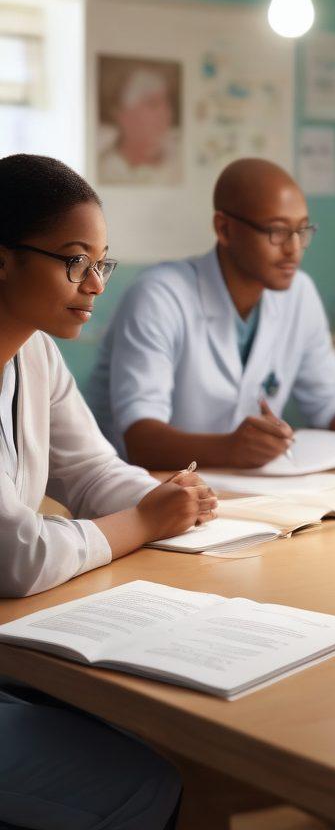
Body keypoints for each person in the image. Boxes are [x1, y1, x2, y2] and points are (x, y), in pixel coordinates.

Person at [0, 153, 219, 828]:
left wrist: (178, 499)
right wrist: (146, 521)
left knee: (157, 730)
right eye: (75, 261)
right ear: (2, 260)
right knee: (147, 780)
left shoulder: (34, 352)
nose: (95, 284)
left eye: (102, 263)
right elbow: (22, 557)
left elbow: (93, 472)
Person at [88, 157, 335, 470]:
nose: (293, 249)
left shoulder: (299, 294)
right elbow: (141, 441)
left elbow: (330, 400)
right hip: (142, 491)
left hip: (239, 488)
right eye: (277, 231)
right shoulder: (159, 297)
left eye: (302, 231)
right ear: (224, 229)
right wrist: (229, 450)